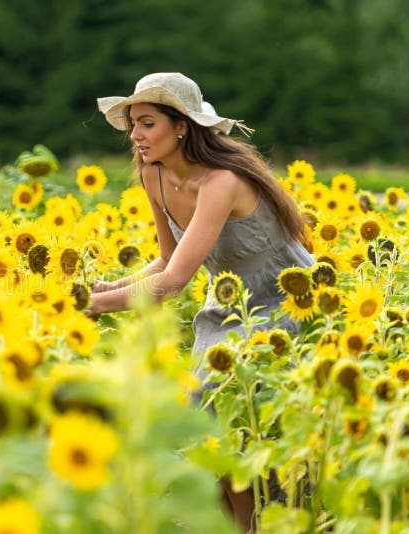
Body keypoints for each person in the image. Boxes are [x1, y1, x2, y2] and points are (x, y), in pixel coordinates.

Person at [86, 72, 315, 532]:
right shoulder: (154, 175)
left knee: (229, 407)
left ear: (182, 126)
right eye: (133, 124)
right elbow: (167, 259)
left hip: (289, 302)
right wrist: (102, 289)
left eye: (147, 123)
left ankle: (252, 526)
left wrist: (93, 306)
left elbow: (172, 283)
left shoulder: (223, 181)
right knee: (203, 417)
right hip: (228, 304)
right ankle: (229, 524)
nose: (134, 135)